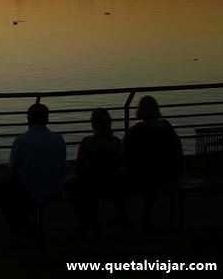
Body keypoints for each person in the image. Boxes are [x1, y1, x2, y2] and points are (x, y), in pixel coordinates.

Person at [0, 103, 66, 227]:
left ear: (29, 119)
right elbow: (61, 164)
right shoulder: (58, 139)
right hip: (53, 187)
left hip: (28, 189)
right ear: (47, 119)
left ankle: (17, 218)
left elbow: (12, 168)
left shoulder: (21, 141)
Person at [123, 95, 183, 225]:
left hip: (143, 177)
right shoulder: (167, 127)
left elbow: (125, 153)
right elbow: (178, 150)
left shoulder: (136, 131)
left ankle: (124, 216)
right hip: (168, 176)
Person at [65, 108, 127, 232]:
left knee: (68, 185)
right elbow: (121, 163)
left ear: (93, 123)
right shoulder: (115, 142)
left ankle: (83, 220)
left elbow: (79, 169)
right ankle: (122, 215)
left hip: (91, 185)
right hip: (113, 183)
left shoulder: (87, 142)